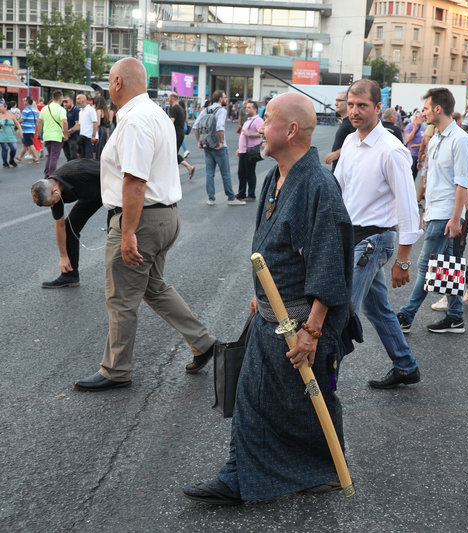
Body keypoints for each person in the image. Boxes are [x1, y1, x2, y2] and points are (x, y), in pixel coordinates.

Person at [182, 92, 354, 506]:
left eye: (267, 118)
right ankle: (278, 471)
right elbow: (272, 250)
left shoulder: (318, 186)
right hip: (271, 314)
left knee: (278, 401)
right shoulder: (274, 176)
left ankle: (252, 476)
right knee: (269, 401)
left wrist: (312, 331)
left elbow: (329, 264)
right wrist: (260, 293)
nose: (256, 125)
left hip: (299, 324)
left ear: (291, 130)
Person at [73, 58, 219, 392]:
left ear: (118, 83)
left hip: (141, 219)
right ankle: (204, 342)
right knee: (153, 286)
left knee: (122, 297)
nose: (108, 88)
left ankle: (116, 370)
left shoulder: (136, 121)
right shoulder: (155, 114)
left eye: (109, 81)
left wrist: (126, 233)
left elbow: (135, 182)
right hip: (165, 216)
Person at [335, 79, 422, 389]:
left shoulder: (392, 150)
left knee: (339, 312)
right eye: (351, 104)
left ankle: (321, 385)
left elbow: (408, 207)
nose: (355, 111)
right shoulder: (349, 142)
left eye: (362, 106)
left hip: (374, 241)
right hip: (350, 238)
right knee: (377, 308)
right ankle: (405, 365)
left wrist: (403, 260)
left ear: (378, 109)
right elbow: (340, 190)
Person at [396, 87, 468, 335]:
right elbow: (435, 179)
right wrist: (426, 210)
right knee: (447, 266)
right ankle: (455, 318)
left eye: (427, 108)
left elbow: (463, 183)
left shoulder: (461, 140)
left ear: (438, 109)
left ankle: (406, 316)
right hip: (435, 212)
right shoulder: (437, 137)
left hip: (446, 215)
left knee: (425, 266)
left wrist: (455, 218)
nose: (423, 112)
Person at [30, 159, 103, 288]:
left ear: (55, 191)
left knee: (116, 231)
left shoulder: (79, 172)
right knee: (70, 229)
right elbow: (60, 225)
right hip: (91, 196)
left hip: (111, 190)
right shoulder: (53, 191)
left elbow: (112, 173)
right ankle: (70, 275)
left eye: (52, 203)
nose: (53, 206)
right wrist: (63, 256)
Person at [193, 90, 245, 206]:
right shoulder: (221, 111)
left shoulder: (205, 110)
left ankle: (211, 198)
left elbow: (195, 126)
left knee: (209, 173)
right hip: (219, 146)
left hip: (207, 145)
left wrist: (199, 141)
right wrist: (221, 142)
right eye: (225, 97)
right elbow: (220, 127)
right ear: (221, 99)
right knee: (225, 173)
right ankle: (231, 198)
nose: (226, 99)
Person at [36, 91, 69, 178]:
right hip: (57, 136)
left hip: (47, 135)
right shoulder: (61, 109)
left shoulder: (45, 108)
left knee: (50, 155)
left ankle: (46, 174)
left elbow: (39, 122)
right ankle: (51, 176)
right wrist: (66, 134)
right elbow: (64, 122)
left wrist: (39, 134)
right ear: (61, 99)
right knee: (54, 157)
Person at [235, 99, 263, 201]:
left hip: (250, 151)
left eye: (249, 107)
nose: (246, 109)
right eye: (246, 107)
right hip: (243, 151)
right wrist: (239, 148)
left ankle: (251, 195)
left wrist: (250, 134)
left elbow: (262, 133)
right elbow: (244, 135)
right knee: (241, 173)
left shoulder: (258, 120)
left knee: (250, 173)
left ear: (255, 109)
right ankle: (241, 193)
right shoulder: (248, 120)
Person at [323, 91, 356, 172]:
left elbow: (359, 143)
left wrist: (337, 153)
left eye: (339, 100)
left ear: (348, 103)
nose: (335, 104)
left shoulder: (351, 123)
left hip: (345, 171)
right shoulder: (346, 122)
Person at [167, 92, 195, 180]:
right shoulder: (180, 108)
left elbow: (171, 122)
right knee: (173, 154)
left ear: (172, 98)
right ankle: (188, 167)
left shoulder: (174, 108)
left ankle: (173, 175)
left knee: (171, 154)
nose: (168, 100)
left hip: (175, 134)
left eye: (168, 98)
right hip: (180, 133)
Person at [17, 96, 40, 164]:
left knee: (30, 144)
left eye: (24, 100)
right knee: (25, 144)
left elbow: (21, 120)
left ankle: (36, 158)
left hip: (26, 130)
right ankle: (19, 157)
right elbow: (36, 121)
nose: (23, 101)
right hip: (32, 129)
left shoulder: (26, 110)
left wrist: (15, 123)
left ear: (27, 102)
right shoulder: (34, 110)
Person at [76, 94, 98, 159]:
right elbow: (79, 125)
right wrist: (71, 130)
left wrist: (93, 136)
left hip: (89, 137)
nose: (77, 101)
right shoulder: (80, 111)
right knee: (81, 156)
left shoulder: (91, 110)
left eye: (78, 99)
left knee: (88, 158)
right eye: (76, 99)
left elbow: (95, 123)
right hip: (82, 136)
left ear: (84, 100)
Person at [404, 111, 425, 181]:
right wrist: (414, 127)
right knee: (409, 177)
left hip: (418, 155)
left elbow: (424, 142)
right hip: (411, 155)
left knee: (414, 176)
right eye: (422, 117)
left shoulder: (423, 127)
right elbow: (408, 138)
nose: (424, 119)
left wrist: (418, 146)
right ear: (416, 117)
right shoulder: (410, 126)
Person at [0, 102, 21, 168]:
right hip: (2, 135)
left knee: (14, 148)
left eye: (1, 106)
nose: (0, 108)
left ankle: (11, 160)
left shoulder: (11, 115)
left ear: (5, 107)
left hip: (11, 135)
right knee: (5, 148)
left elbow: (17, 124)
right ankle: (5, 162)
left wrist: (21, 131)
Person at [62, 96, 81, 161]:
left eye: (66, 101)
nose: (64, 103)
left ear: (72, 101)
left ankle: (75, 170)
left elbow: (78, 125)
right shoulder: (64, 110)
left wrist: (68, 132)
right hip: (65, 137)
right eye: (63, 102)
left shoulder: (77, 110)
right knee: (67, 155)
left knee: (74, 157)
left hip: (74, 137)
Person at [93, 94, 112, 159]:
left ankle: (97, 161)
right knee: (101, 146)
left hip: (99, 130)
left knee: (97, 147)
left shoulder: (98, 111)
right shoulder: (106, 111)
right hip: (104, 130)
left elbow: (98, 123)